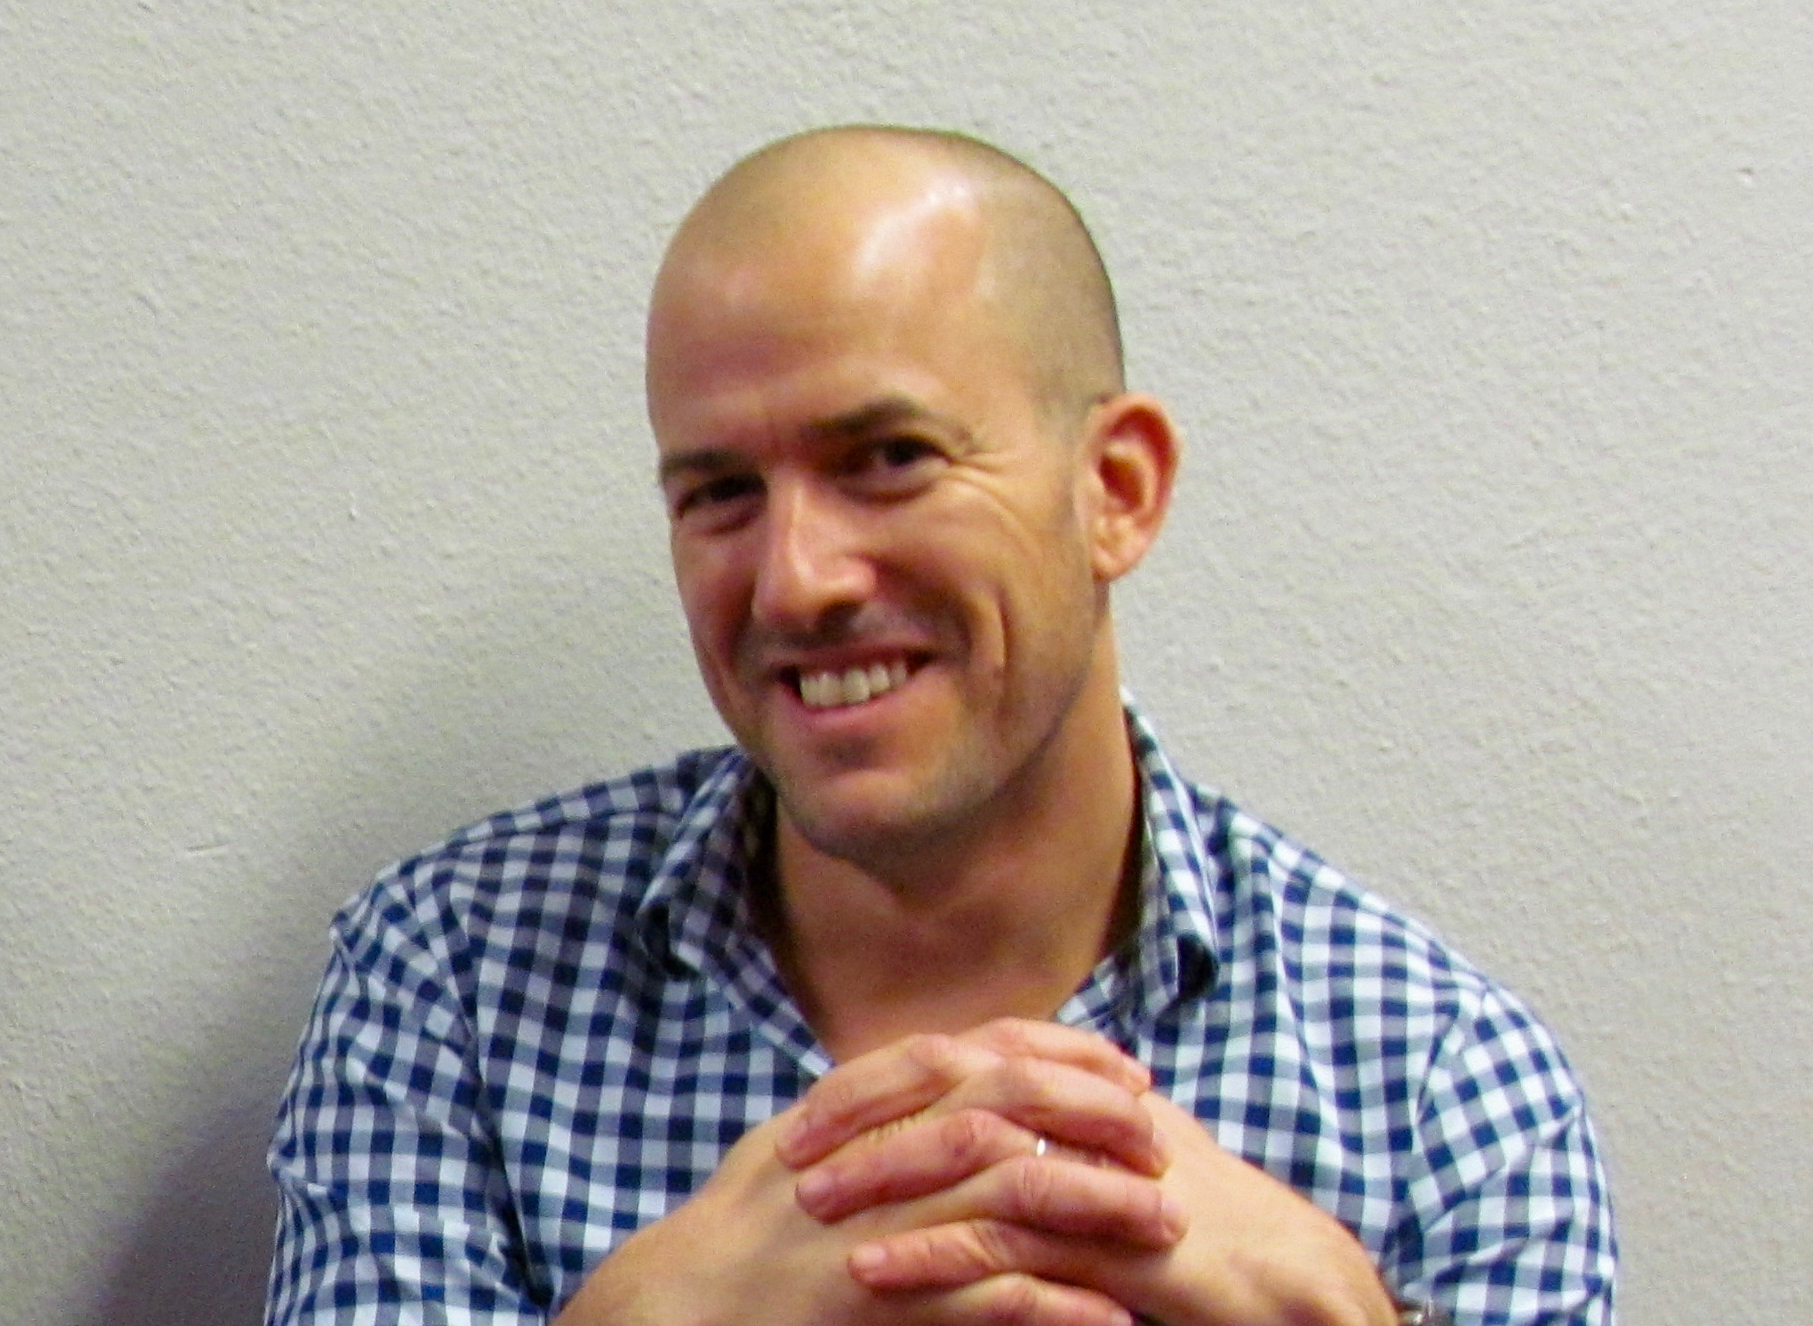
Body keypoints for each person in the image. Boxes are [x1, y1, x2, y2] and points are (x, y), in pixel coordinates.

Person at [266, 126, 1615, 1326]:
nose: (795, 580)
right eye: (721, 493)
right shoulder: (452, 980)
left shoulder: (1439, 1094)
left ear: (1116, 490)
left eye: (888, 459)